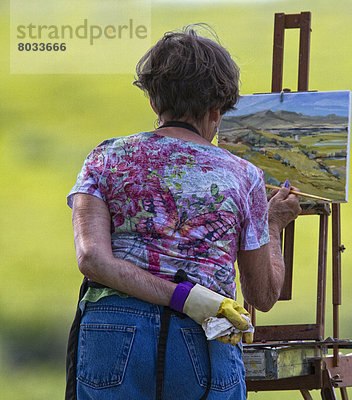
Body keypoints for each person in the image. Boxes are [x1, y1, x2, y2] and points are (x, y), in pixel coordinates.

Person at [65, 25, 301, 400]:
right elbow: (263, 294)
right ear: (216, 109)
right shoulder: (244, 176)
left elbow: (93, 258)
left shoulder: (106, 157)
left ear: (155, 102)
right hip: (204, 336)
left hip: (111, 333)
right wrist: (273, 223)